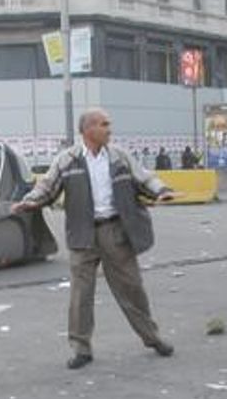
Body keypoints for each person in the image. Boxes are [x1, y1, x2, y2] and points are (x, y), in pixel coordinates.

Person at [12, 108, 181, 369]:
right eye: (104, 124)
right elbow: (47, 187)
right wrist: (29, 202)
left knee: (132, 289)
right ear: (88, 129)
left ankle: (152, 338)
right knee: (81, 295)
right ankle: (81, 349)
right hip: (83, 233)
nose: (109, 129)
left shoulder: (119, 157)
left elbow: (144, 178)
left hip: (115, 232)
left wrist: (162, 191)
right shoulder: (67, 160)